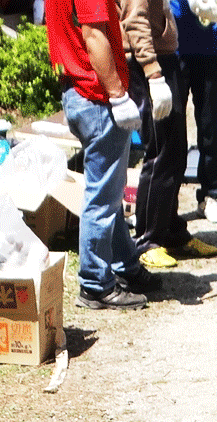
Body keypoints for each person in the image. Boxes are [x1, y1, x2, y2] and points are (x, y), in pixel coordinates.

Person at [46, 0, 149, 308]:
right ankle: (95, 284)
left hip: (77, 90)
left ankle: (125, 265)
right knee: (102, 196)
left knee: (109, 190)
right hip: (96, 94)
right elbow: (93, 35)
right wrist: (118, 95)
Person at [120, 0, 217, 268]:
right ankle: (147, 240)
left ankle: (171, 231)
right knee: (160, 152)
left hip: (165, 56)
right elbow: (135, 19)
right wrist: (152, 72)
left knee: (175, 152)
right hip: (149, 63)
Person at [170, 0, 217, 225]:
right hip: (174, 52)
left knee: (210, 128)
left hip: (210, 54)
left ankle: (209, 197)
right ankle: (168, 202)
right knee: (172, 131)